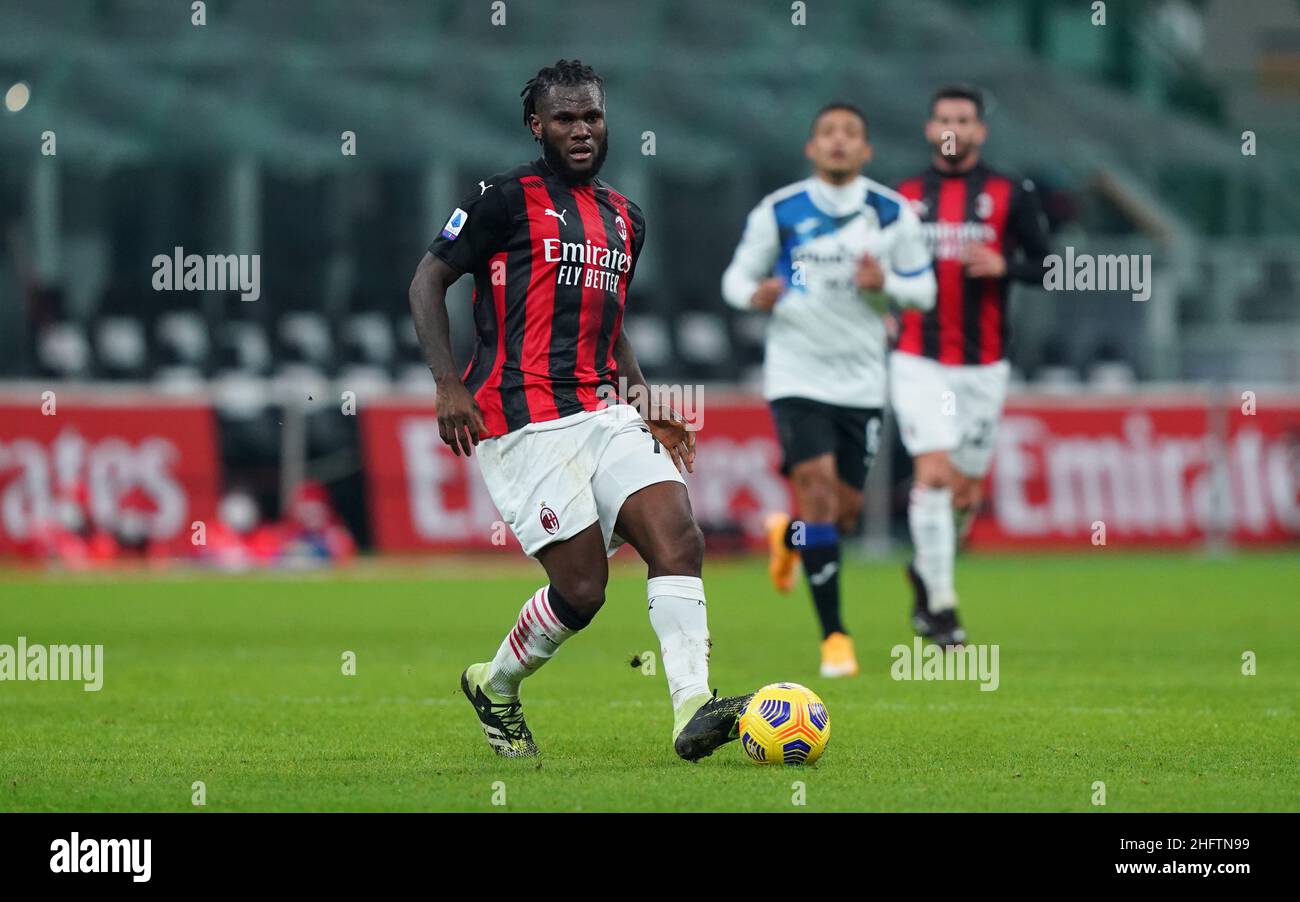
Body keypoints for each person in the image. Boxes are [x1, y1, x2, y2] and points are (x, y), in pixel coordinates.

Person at [408, 60, 750, 761]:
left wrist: (643, 395)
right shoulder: (502, 200)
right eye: (564, 117)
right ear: (537, 126)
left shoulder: (628, 217)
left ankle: (693, 707)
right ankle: (494, 685)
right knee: (584, 591)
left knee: (679, 538)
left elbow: (606, 319)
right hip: (521, 419)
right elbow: (427, 280)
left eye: (591, 115)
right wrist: (448, 385)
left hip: (603, 412)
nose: (581, 129)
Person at [722, 102, 935, 677]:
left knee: (840, 516)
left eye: (851, 134)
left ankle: (786, 536)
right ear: (811, 148)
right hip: (796, 372)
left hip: (863, 379)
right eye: (828, 133)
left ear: (865, 150)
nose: (838, 142)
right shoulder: (780, 210)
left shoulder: (892, 213)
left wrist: (885, 282)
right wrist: (754, 295)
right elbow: (736, 278)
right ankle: (835, 638)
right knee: (815, 491)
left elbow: (927, 291)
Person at [892, 84, 1051, 646]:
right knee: (933, 474)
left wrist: (1005, 263)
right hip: (919, 358)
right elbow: (873, 264)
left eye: (964, 119)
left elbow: (1047, 265)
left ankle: (927, 570)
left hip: (984, 365)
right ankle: (942, 606)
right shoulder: (903, 195)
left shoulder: (1011, 192)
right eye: (943, 119)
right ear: (930, 129)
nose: (953, 128)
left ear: (980, 130)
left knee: (964, 494)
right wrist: (880, 307)